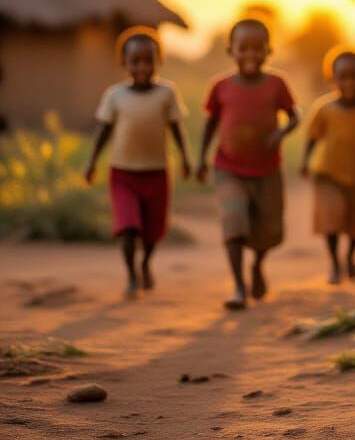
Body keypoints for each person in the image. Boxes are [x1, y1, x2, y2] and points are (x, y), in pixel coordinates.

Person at [197, 17, 299, 310]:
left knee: (268, 230)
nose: (251, 55)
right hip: (228, 168)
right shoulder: (221, 87)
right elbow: (211, 123)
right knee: (234, 221)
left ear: (269, 50)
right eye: (244, 48)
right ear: (232, 50)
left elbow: (295, 115)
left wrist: (281, 132)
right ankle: (239, 286)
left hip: (267, 171)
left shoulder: (277, 84)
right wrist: (202, 159)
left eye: (258, 48)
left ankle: (257, 265)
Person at [85, 27, 191, 298]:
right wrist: (92, 162)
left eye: (149, 61)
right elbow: (104, 131)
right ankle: (132, 276)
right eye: (136, 61)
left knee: (153, 232)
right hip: (123, 174)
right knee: (128, 227)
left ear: (159, 62)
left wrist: (186, 158)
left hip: (157, 173)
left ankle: (145, 263)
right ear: (124, 63)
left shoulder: (167, 93)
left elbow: (177, 128)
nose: (143, 67)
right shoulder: (115, 96)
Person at [301, 50, 355, 283]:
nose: (349, 82)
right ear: (333, 79)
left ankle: (350, 256)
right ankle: (334, 263)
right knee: (331, 220)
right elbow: (312, 138)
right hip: (327, 175)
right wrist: (304, 162)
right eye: (343, 77)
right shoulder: (323, 109)